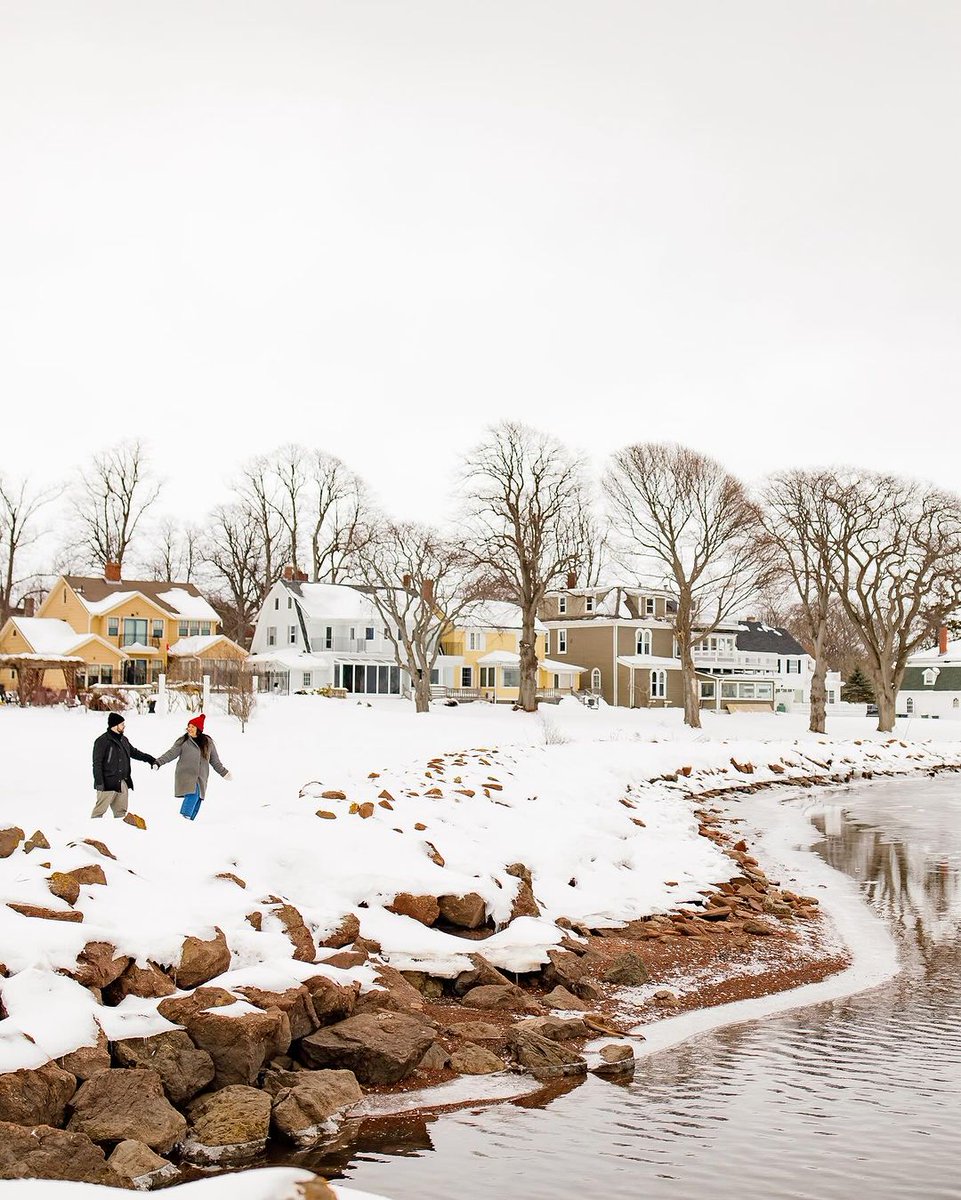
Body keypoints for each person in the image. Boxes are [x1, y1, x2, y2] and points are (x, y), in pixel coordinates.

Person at [154, 713, 231, 820]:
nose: (189, 729)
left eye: (192, 727)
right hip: (186, 775)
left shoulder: (207, 742)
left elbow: (215, 761)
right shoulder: (183, 741)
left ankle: (190, 823)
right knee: (193, 794)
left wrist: (224, 772)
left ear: (198, 729)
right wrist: (158, 762)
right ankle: (183, 818)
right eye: (188, 726)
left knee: (198, 798)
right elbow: (171, 753)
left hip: (201, 777)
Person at [91, 712, 157, 818]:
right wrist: (99, 783)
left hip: (122, 782)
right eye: (122, 724)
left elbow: (134, 753)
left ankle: (120, 833)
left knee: (121, 813)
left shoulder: (123, 739)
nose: (124, 726)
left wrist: (150, 759)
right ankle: (92, 832)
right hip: (107, 784)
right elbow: (97, 764)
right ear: (115, 725)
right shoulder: (102, 741)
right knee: (98, 813)